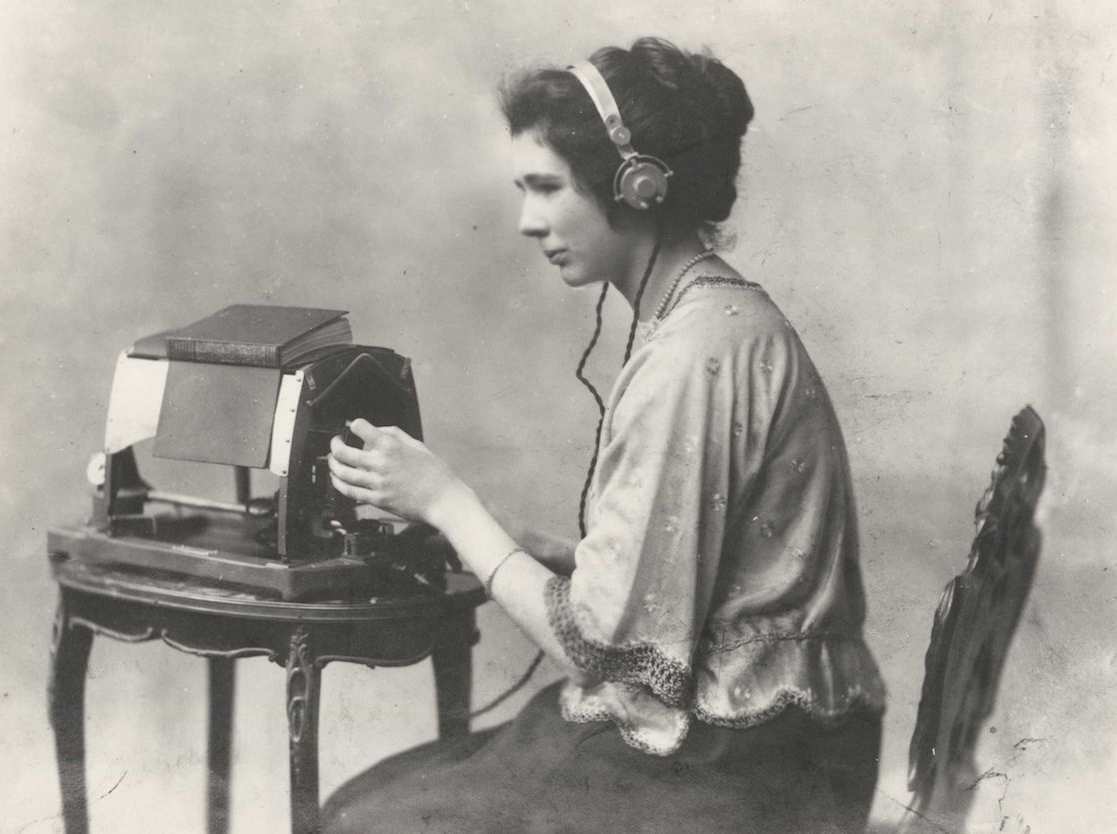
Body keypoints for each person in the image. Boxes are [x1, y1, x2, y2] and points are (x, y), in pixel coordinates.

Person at [323, 37, 886, 834]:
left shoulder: (691, 357)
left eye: (547, 187)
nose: (528, 221)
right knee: (368, 799)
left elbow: (602, 651)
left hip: (744, 765)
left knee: (364, 820)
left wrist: (449, 504)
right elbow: (696, 574)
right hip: (782, 737)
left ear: (638, 185)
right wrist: (532, 543)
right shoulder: (711, 320)